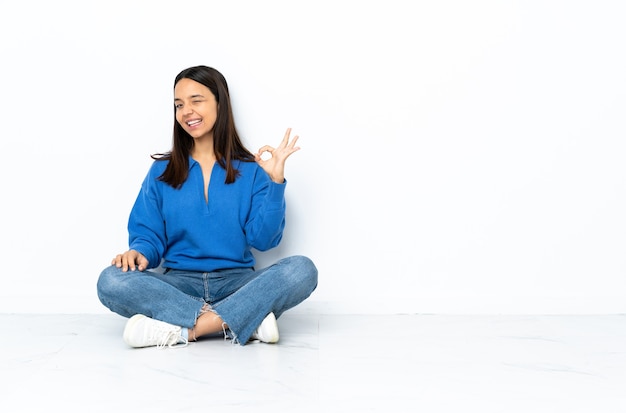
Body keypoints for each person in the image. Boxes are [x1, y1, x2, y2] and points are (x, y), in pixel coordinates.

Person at [97, 65, 318, 349]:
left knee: (301, 270)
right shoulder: (160, 171)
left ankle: (183, 330)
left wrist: (274, 181)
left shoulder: (251, 170)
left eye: (196, 100)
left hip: (237, 283)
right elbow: (148, 235)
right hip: (179, 285)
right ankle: (244, 320)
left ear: (219, 102)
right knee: (111, 281)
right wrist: (138, 253)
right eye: (179, 105)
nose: (186, 111)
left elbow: (265, 241)